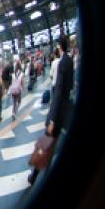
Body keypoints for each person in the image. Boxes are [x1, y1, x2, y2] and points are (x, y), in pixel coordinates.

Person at [29, 35, 74, 185]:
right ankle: (46, 167)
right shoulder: (70, 61)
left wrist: (52, 119)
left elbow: (59, 91)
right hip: (64, 111)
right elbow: (69, 87)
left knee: (44, 143)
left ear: (59, 46)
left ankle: (34, 175)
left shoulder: (62, 63)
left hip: (57, 113)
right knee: (52, 143)